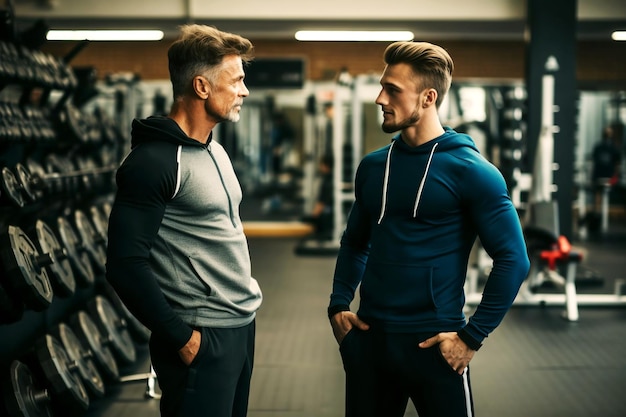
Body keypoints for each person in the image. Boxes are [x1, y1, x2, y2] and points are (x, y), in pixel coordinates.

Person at [327, 41, 530, 417]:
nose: (379, 98)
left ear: (427, 97)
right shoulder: (373, 168)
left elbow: (513, 259)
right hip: (370, 343)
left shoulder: (472, 172)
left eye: (393, 90)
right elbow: (355, 242)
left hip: (435, 348)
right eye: (382, 85)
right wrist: (339, 305)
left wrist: (472, 337)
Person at [105, 25, 262, 417]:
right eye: (237, 80)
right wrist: (183, 338)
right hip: (201, 335)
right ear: (202, 87)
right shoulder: (153, 162)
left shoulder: (216, 150)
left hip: (241, 326)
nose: (244, 90)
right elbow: (124, 265)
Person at [591, 125, 621, 213]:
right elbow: (595, 162)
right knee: (598, 193)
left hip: (609, 176)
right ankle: (597, 213)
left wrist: (615, 177)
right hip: (598, 175)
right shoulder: (598, 147)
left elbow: (617, 164)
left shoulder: (614, 149)